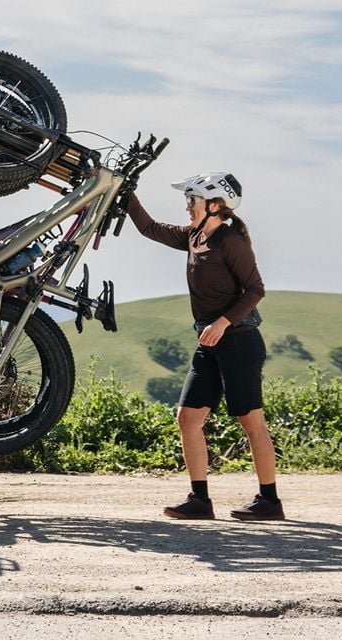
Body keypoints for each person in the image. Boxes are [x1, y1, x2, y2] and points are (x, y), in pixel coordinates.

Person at [124, 172, 283, 521]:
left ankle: (270, 502)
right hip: (209, 343)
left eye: (192, 201)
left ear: (214, 205)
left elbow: (256, 289)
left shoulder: (230, 241)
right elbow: (149, 228)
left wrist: (223, 323)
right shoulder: (194, 236)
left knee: (250, 421)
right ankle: (200, 500)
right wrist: (127, 193)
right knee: (188, 418)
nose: (187, 207)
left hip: (239, 341)